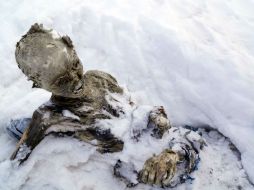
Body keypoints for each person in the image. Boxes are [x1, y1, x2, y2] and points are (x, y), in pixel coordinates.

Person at [9, 23, 206, 188]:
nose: (75, 79)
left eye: (75, 64)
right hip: (136, 162)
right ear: (37, 83)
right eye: (61, 80)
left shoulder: (98, 77)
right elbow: (16, 165)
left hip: (157, 137)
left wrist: (158, 128)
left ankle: (174, 155)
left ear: (75, 51)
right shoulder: (48, 117)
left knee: (183, 138)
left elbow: (131, 106)